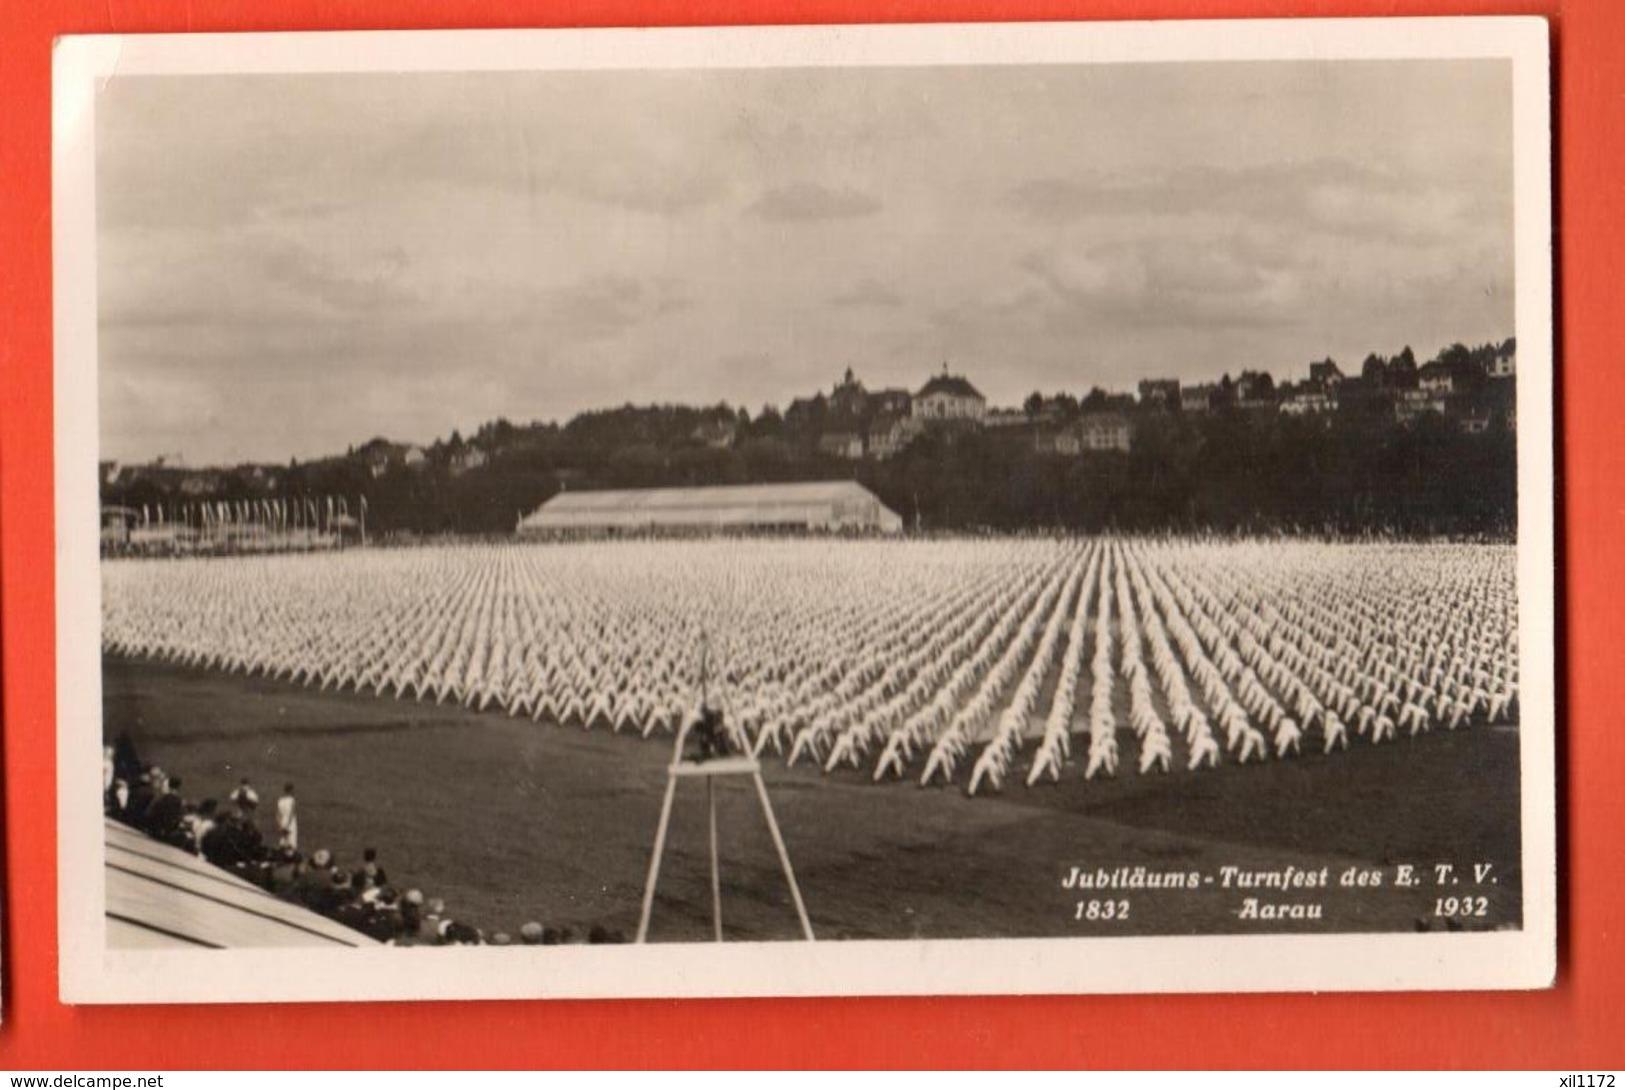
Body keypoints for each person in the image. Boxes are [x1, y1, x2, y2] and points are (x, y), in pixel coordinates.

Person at [275, 783, 298, 851]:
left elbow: (277, 815)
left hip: (282, 821)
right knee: (291, 841)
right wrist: (288, 825)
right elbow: (292, 813)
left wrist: (279, 825)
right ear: (291, 790)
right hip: (290, 823)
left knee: (283, 840)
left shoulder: (280, 800)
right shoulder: (292, 800)